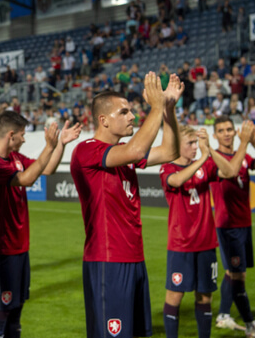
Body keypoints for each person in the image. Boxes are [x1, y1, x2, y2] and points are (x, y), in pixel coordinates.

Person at [70, 72, 183, 338]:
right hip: (108, 261)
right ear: (103, 120)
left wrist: (167, 110)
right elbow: (135, 151)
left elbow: (170, 152)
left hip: (134, 258)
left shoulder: (122, 153)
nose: (132, 116)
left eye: (132, 111)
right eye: (124, 112)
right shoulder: (87, 150)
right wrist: (155, 106)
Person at [0, 112, 82, 338]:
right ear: (11, 135)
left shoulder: (16, 158)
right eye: (23, 135)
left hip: (20, 248)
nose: (24, 140)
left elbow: (46, 169)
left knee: (15, 312)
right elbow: (26, 179)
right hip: (1, 250)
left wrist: (60, 145)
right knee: (0, 313)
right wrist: (49, 146)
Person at [159, 122, 253, 338]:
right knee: (175, 296)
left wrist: (208, 151)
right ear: (176, 145)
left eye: (195, 142)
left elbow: (230, 170)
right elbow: (177, 180)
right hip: (181, 245)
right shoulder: (167, 167)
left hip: (206, 244)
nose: (195, 146)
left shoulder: (206, 164)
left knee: (205, 297)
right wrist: (202, 158)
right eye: (190, 143)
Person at [210, 117, 255, 337]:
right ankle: (250, 326)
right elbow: (231, 170)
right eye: (221, 131)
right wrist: (244, 143)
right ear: (215, 135)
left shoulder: (244, 155)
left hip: (244, 223)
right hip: (227, 225)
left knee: (236, 273)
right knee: (237, 275)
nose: (227, 133)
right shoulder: (215, 159)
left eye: (230, 129)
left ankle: (223, 315)